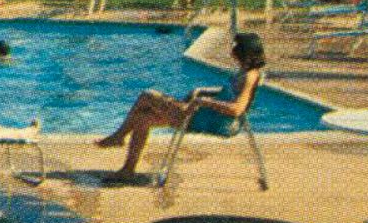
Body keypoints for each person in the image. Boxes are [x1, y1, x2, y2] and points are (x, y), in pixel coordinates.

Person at [94, 32, 267, 184]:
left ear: (243, 52)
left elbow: (237, 109)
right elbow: (227, 93)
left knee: (147, 96)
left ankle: (118, 136)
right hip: (206, 115)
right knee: (142, 118)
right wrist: (201, 91)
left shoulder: (249, 77)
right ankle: (127, 170)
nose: (232, 48)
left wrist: (203, 101)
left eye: (235, 46)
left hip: (214, 122)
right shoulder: (243, 72)